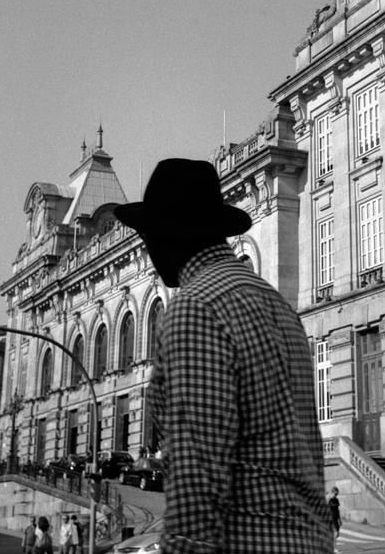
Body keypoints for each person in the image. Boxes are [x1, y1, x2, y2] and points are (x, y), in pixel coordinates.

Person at [114, 158, 333, 554]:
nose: (148, 249)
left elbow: (198, 474)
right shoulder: (277, 306)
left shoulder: (194, 308)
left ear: (169, 234)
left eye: (149, 235)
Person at [328, 486, 341, 551]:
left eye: (337, 494)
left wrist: (340, 519)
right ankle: (334, 548)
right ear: (332, 492)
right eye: (335, 494)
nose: (336, 495)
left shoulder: (336, 500)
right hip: (330, 519)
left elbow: (338, 510)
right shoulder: (328, 500)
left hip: (336, 518)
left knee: (337, 534)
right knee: (335, 533)